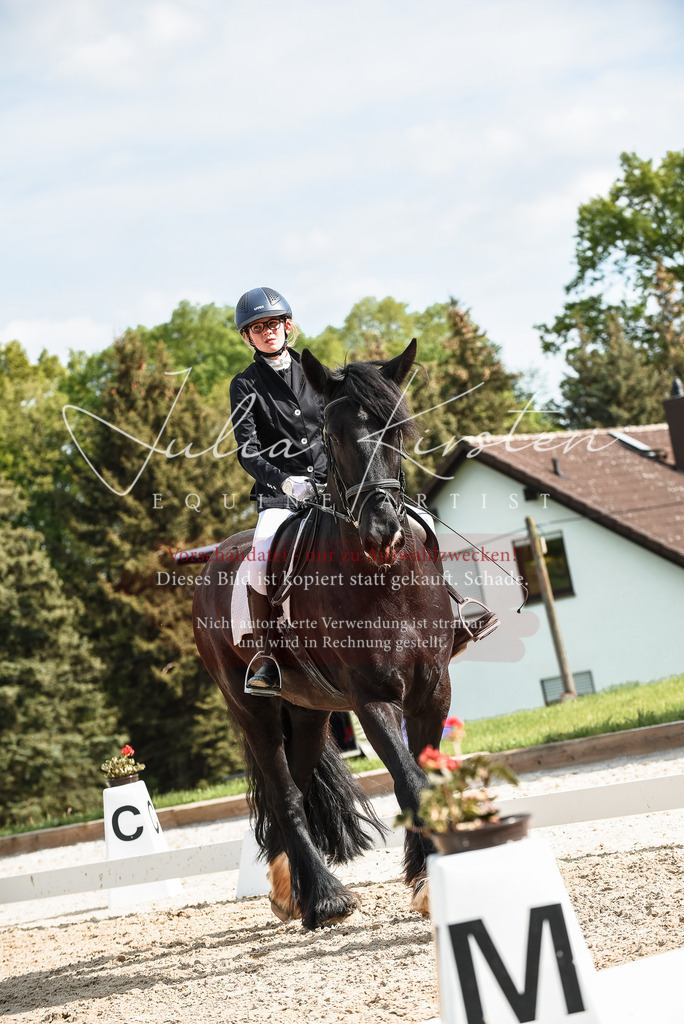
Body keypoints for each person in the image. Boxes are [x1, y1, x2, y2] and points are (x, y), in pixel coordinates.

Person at [230, 287, 326, 695]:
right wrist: (285, 481)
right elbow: (247, 451)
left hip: (332, 483)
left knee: (408, 520)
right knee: (259, 559)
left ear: (287, 326)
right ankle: (266, 657)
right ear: (247, 337)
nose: (267, 332)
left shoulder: (313, 369)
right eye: (257, 328)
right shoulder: (245, 384)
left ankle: (454, 607)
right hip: (281, 494)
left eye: (272, 324)